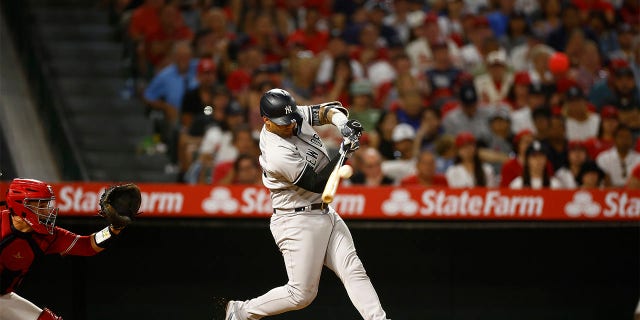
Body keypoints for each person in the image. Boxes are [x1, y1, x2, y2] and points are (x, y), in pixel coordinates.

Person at [213, 89, 389, 320]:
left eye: (291, 118)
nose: (290, 124)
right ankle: (241, 312)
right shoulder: (276, 151)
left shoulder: (291, 115)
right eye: (283, 122)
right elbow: (315, 183)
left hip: (324, 212)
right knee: (301, 295)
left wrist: (342, 124)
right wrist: (344, 151)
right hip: (296, 219)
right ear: (266, 120)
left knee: (353, 269)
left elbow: (326, 112)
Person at [0, 178, 132, 319]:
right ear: (21, 205)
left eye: (46, 204)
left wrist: (113, 229)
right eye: (41, 205)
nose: (47, 211)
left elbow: (87, 245)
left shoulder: (49, 236)